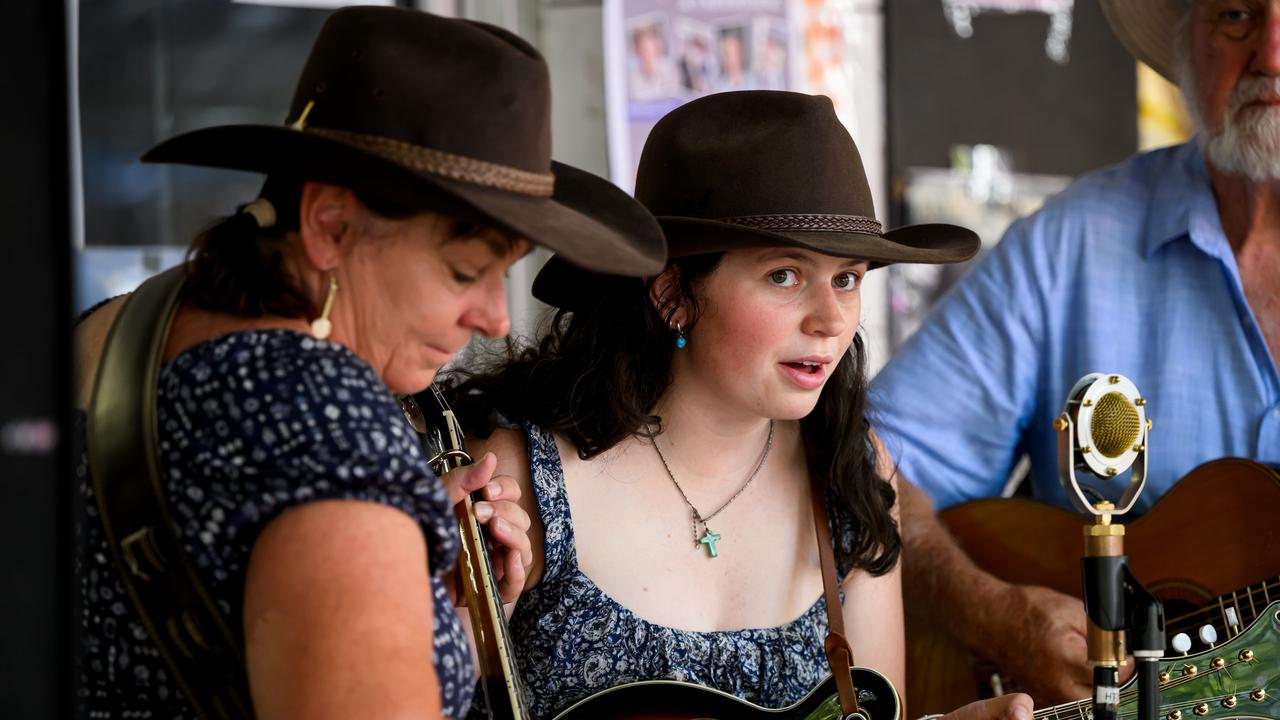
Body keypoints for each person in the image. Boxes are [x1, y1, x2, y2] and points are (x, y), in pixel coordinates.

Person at [72, 7, 665, 719]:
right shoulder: (336, 431)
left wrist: (425, 604)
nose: (496, 317)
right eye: (462, 271)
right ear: (330, 224)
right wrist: (371, 515)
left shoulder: (124, 324)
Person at [449, 90, 1031, 720]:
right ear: (672, 293)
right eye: (784, 274)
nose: (831, 320)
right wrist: (470, 629)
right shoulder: (517, 482)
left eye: (848, 278)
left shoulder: (850, 472)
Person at [870, 0, 1280, 707]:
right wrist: (990, 613)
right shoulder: (1070, 245)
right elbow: (865, 463)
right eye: (1237, 15)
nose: (1272, 54)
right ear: (1188, 48)